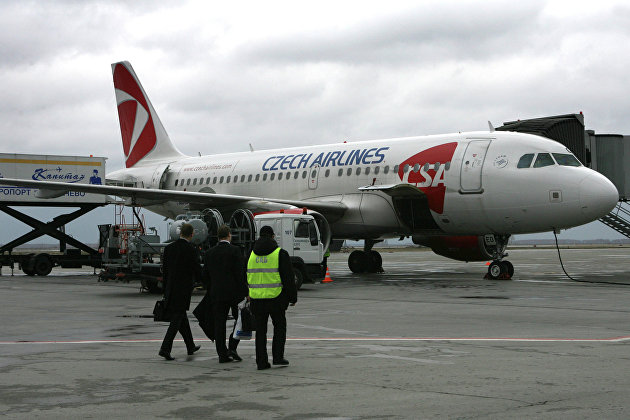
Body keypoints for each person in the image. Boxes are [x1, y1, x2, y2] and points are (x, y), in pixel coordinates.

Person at [247, 225, 297, 370]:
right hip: (276, 298)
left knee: (261, 332)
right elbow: (288, 278)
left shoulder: (251, 254)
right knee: (280, 328)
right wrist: (292, 297)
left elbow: (246, 274)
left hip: (256, 299)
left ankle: (261, 362)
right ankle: (278, 357)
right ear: (273, 236)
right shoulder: (280, 253)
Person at [202, 224, 248, 363]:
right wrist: (245, 292)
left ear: (218, 236)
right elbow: (240, 274)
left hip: (217, 293)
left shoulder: (209, 253)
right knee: (239, 320)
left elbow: (205, 276)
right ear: (229, 235)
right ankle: (232, 345)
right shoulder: (235, 251)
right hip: (234, 293)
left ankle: (222, 353)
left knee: (219, 324)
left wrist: (210, 288)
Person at [159, 223, 202, 360]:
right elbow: (196, 269)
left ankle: (190, 346)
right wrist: (204, 282)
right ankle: (165, 348)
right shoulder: (191, 249)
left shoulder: (169, 248)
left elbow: (165, 271)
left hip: (171, 288)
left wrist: (165, 289)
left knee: (181, 317)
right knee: (177, 319)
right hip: (183, 289)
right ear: (192, 234)